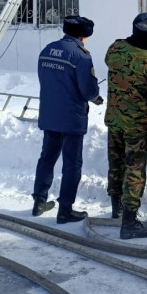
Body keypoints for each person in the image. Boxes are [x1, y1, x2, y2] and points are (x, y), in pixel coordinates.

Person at [32, 15, 103, 223]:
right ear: (83, 36)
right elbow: (88, 90)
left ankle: (39, 201)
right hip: (71, 117)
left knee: (47, 158)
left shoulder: (47, 50)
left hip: (50, 113)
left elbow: (45, 79)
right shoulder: (81, 56)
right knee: (72, 164)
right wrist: (95, 97)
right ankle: (65, 210)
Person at [104, 12, 147, 240]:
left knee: (116, 164)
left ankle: (117, 209)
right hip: (137, 126)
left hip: (114, 120)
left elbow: (110, 64)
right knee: (134, 170)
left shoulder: (115, 48)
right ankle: (129, 223)